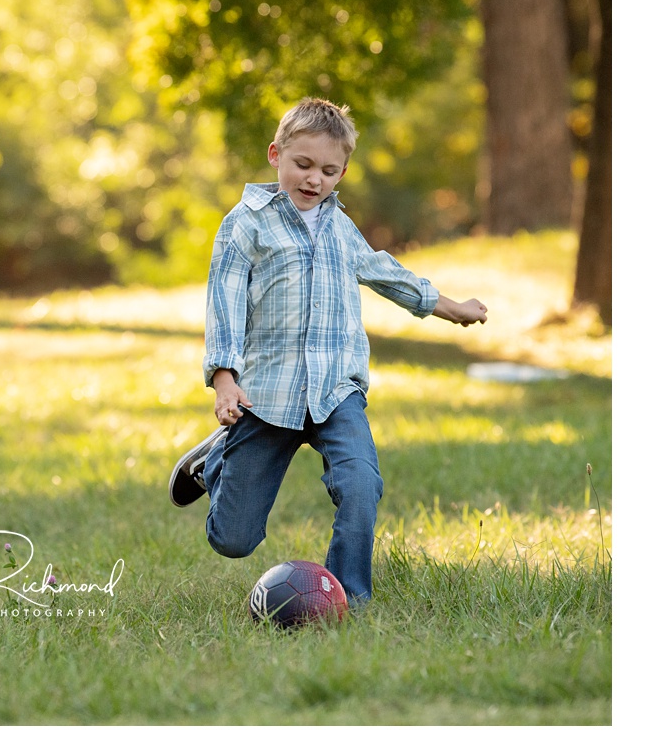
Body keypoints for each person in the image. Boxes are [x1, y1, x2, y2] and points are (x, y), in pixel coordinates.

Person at [167, 98, 489, 605]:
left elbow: (386, 272)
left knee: (361, 484)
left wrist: (449, 306)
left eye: (329, 170)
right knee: (233, 540)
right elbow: (224, 303)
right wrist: (224, 379)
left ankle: (349, 599)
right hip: (266, 397)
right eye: (303, 164)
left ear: (342, 173)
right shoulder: (246, 224)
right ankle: (213, 462)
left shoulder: (340, 225)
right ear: (276, 155)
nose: (314, 179)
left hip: (337, 390)